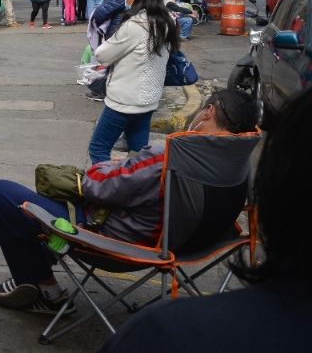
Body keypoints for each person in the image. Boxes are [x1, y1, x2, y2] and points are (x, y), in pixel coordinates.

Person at [0, 89, 259, 317]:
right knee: (52, 202)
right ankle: (35, 275)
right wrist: (133, 167)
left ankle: (47, 292)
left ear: (209, 112)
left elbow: (97, 187)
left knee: (2, 193)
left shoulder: (171, 155)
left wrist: (118, 165)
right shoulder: (237, 161)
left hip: (118, 244)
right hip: (187, 245)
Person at [100, 89, 311, 352]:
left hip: (143, 243)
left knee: (40, 201)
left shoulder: (161, 333)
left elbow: (102, 187)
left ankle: (49, 291)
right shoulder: (237, 155)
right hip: (210, 240)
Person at [87, 0, 179, 164]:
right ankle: (138, 190)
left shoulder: (135, 25)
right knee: (138, 154)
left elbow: (102, 54)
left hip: (124, 101)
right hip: (148, 100)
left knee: (98, 148)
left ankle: (104, 190)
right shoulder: (167, 22)